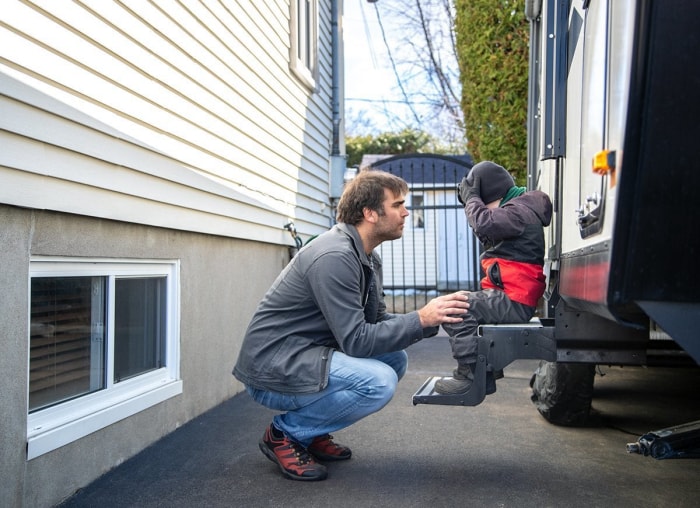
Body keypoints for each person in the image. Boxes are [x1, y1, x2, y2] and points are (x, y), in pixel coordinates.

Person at [233, 169, 470, 481]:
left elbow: (377, 323)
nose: (406, 212)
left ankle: (313, 431)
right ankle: (286, 433)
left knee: (394, 359)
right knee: (379, 381)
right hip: (274, 369)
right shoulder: (334, 256)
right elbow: (357, 341)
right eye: (397, 204)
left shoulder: (366, 256)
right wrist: (420, 318)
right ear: (370, 213)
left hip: (308, 356)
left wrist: (430, 320)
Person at [435, 161, 553, 395]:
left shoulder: (518, 211)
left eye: (484, 202)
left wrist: (472, 199)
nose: (485, 209)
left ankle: (470, 377)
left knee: (455, 310)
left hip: (515, 299)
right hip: (512, 296)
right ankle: (485, 372)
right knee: (456, 304)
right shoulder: (519, 209)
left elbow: (483, 223)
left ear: (493, 194)